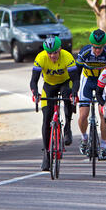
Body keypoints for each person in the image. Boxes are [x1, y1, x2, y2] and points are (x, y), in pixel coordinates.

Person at [30, 36, 80, 171]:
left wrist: (74, 93)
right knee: (46, 119)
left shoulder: (67, 57)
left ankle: (67, 126)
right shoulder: (40, 58)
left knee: (68, 97)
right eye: (49, 53)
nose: (52, 56)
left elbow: (75, 79)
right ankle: (46, 154)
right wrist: (35, 93)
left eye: (55, 52)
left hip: (65, 83)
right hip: (49, 86)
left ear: (60, 50)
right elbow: (33, 81)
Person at [75, 29, 106, 160]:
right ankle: (84, 138)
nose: (97, 51)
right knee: (83, 114)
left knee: (103, 114)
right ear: (91, 45)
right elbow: (76, 74)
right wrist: (74, 91)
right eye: (95, 48)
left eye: (100, 48)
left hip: (102, 82)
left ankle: (103, 146)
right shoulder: (84, 52)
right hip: (88, 81)